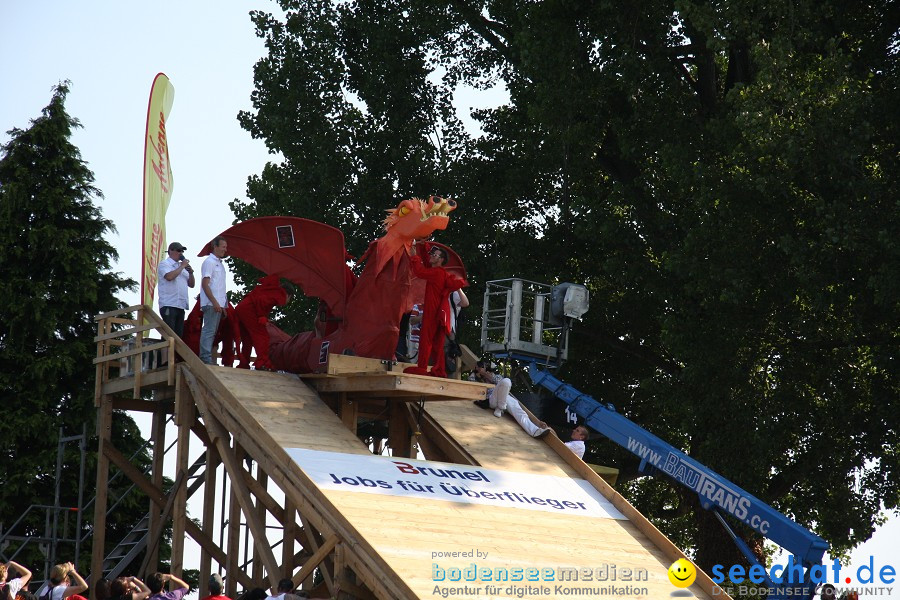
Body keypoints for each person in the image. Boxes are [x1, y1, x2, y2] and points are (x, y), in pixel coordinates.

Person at [402, 242, 467, 378]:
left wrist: (415, 256)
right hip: (438, 312)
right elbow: (426, 265)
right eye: (432, 253)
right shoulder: (440, 272)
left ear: (441, 260)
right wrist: (423, 248)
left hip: (432, 311)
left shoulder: (437, 272)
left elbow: (420, 271)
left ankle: (421, 368)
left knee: (426, 340)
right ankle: (439, 370)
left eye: (435, 255)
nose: (432, 256)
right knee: (437, 344)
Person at [471, 361, 552, 438]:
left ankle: (534, 431)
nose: (481, 369)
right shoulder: (474, 376)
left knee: (508, 383)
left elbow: (501, 382)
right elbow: (471, 385)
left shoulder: (496, 376)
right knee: (506, 396)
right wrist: (478, 374)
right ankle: (500, 408)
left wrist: (487, 375)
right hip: (491, 399)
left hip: (504, 399)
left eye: (483, 367)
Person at [234, 275, 292, 370]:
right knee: (262, 336)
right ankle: (263, 363)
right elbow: (262, 301)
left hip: (242, 307)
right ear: (288, 295)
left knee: (247, 338)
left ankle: (244, 364)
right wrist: (261, 316)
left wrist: (264, 317)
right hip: (249, 310)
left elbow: (260, 299)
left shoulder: (270, 290)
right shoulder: (279, 294)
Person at [199, 236, 229, 364]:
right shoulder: (209, 262)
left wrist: (224, 305)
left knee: (213, 332)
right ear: (215, 247)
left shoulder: (219, 264)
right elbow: (205, 284)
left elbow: (220, 286)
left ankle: (207, 357)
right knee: (209, 331)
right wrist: (215, 302)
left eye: (226, 247)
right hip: (211, 303)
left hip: (217, 304)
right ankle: (205, 358)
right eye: (223, 247)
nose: (225, 250)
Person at [157, 242, 195, 337]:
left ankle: (173, 352)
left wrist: (191, 273)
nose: (181, 253)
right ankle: (164, 352)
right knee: (168, 335)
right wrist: (182, 266)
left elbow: (191, 284)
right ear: (170, 251)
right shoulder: (165, 264)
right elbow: (169, 277)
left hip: (181, 305)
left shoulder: (181, 267)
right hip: (169, 304)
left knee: (178, 336)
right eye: (178, 250)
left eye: (182, 251)